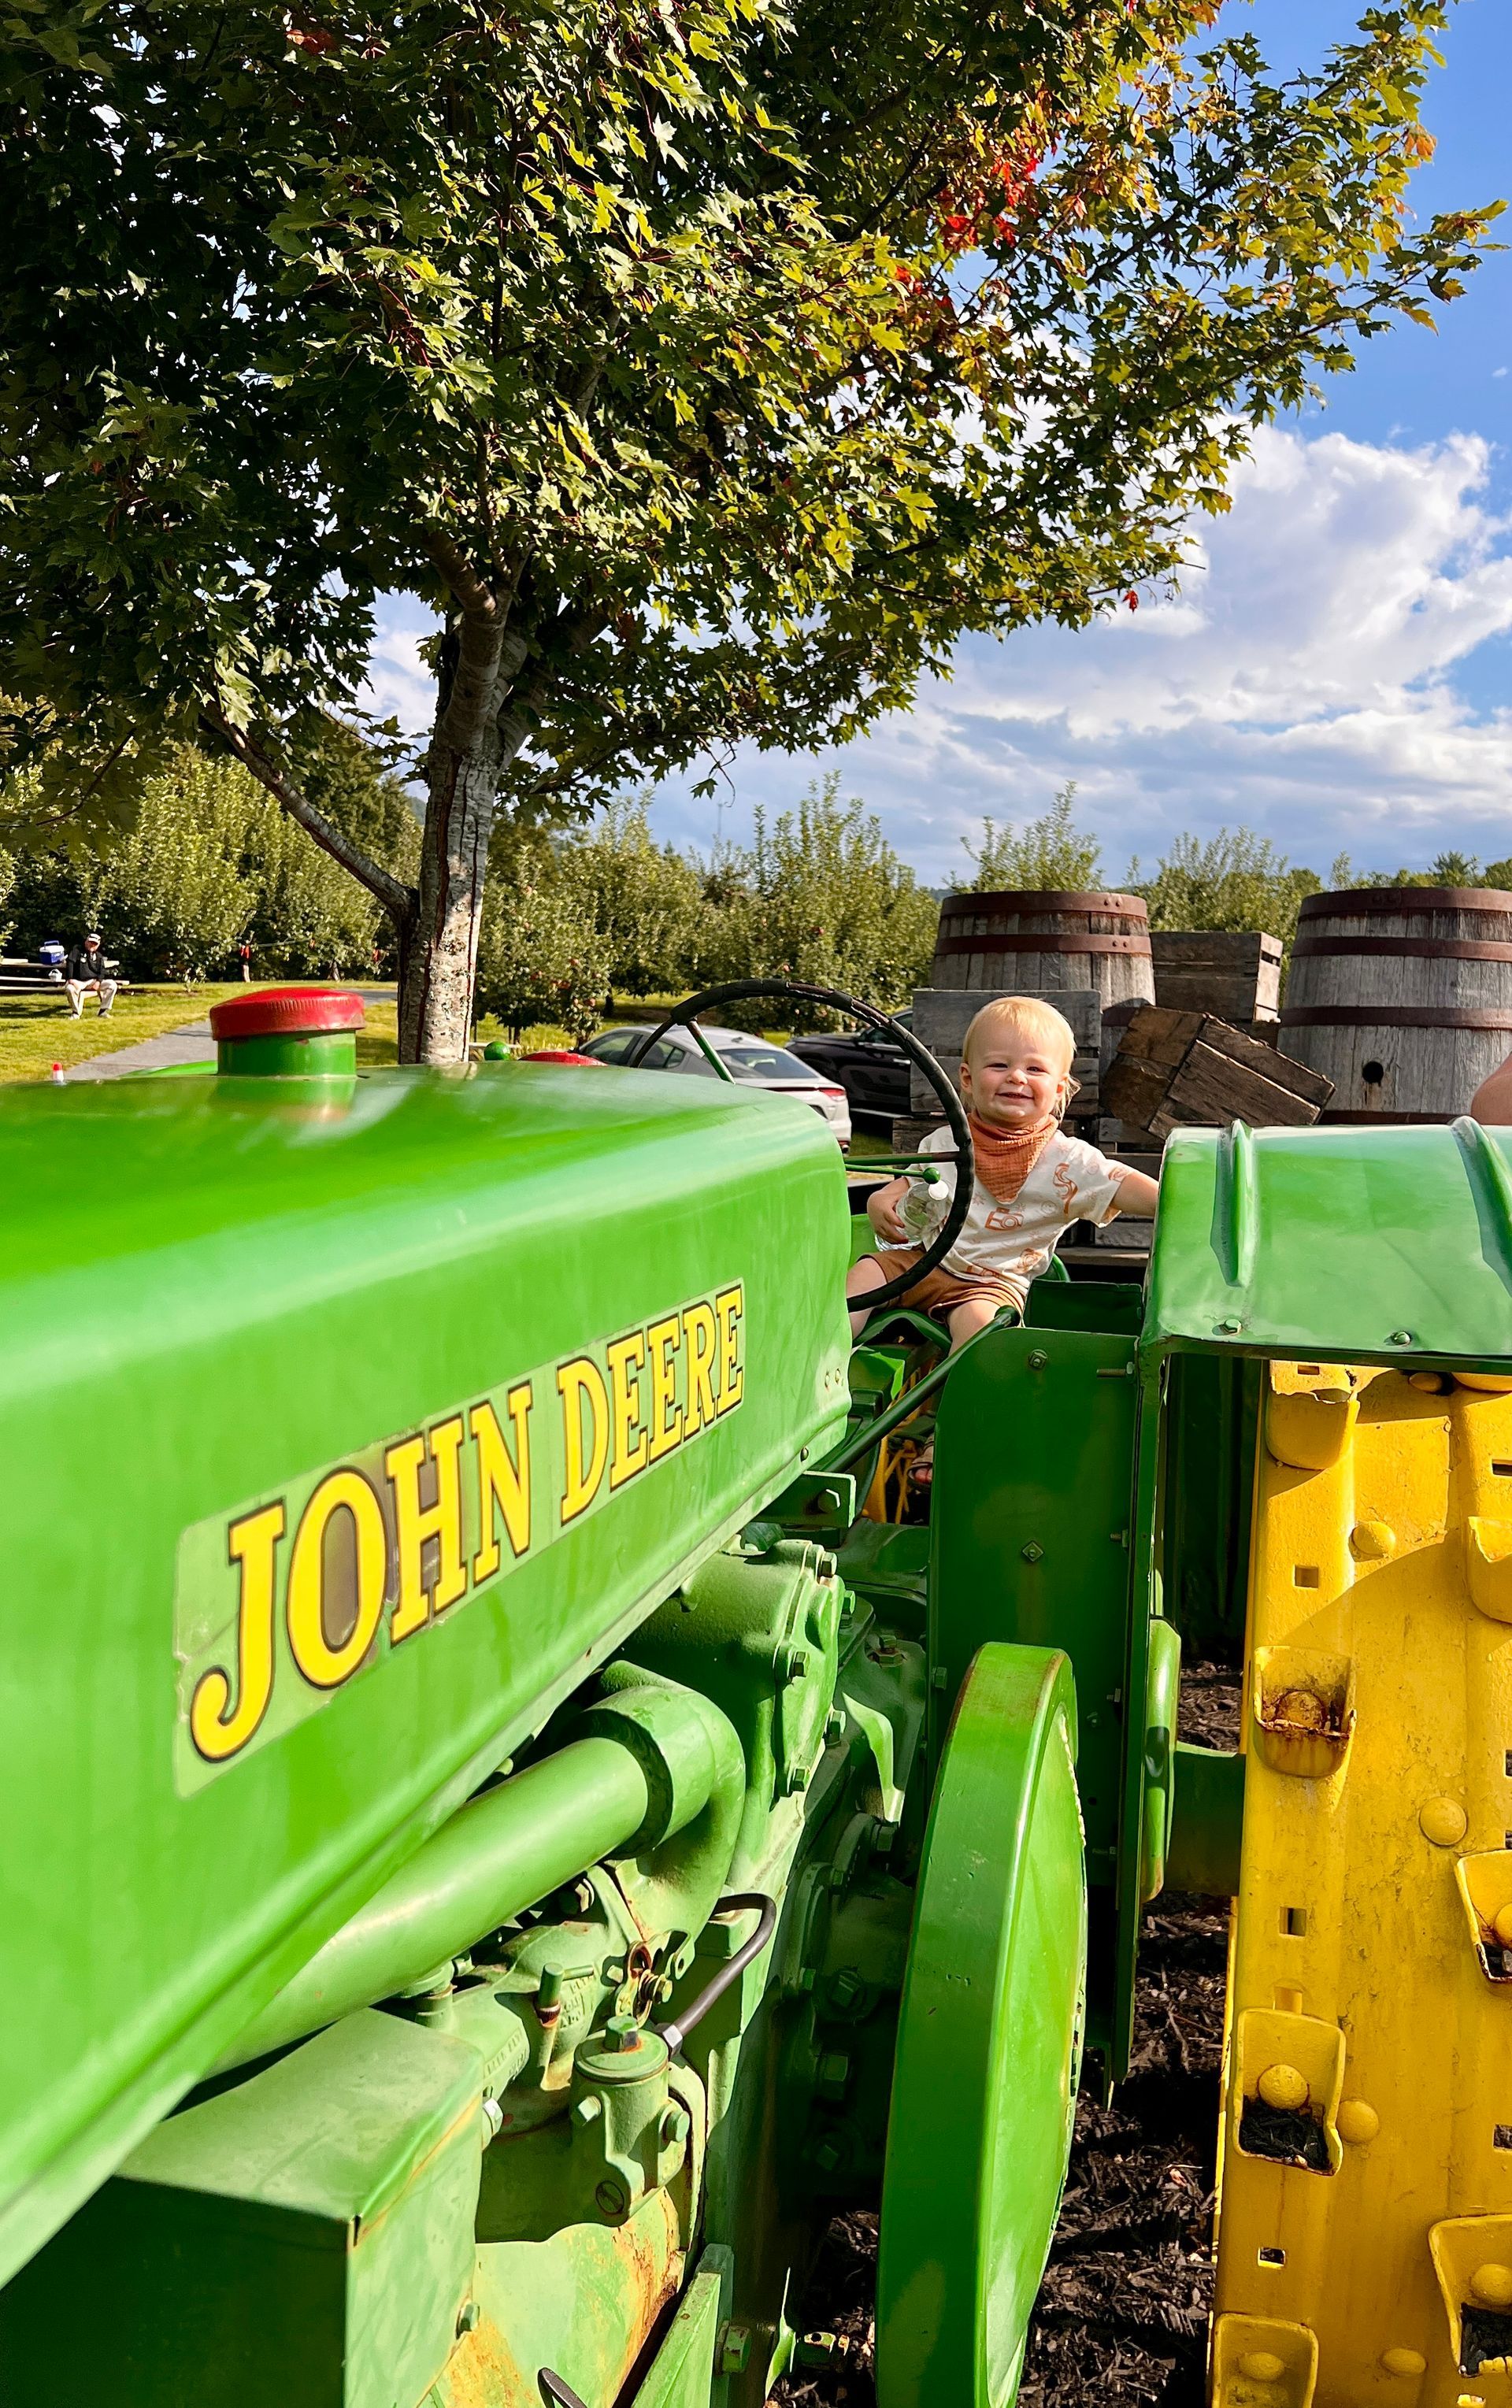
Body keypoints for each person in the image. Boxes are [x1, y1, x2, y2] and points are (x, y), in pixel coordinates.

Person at [846, 996, 1160, 1468]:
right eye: (1000, 1065)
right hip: (924, 1258)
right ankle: (821, 1376)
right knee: (865, 1274)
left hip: (992, 1282)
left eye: (1035, 1070)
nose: (1016, 1077)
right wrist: (879, 1200)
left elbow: (1122, 1184)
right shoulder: (947, 1140)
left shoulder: (1068, 1161)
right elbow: (911, 1185)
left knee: (977, 1330)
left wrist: (1176, 1198)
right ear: (968, 1081)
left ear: (1060, 1090)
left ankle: (950, 1433)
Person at [64, 932, 118, 1018]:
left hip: (93, 981)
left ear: (98, 945)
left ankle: (103, 1011)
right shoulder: (77, 950)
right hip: (77, 981)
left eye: (95, 943)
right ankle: (75, 1013)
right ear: (86, 941)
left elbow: (102, 971)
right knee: (70, 989)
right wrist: (70, 979)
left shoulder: (99, 956)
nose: (92, 945)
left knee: (112, 985)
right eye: (90, 942)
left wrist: (99, 982)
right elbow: (70, 963)